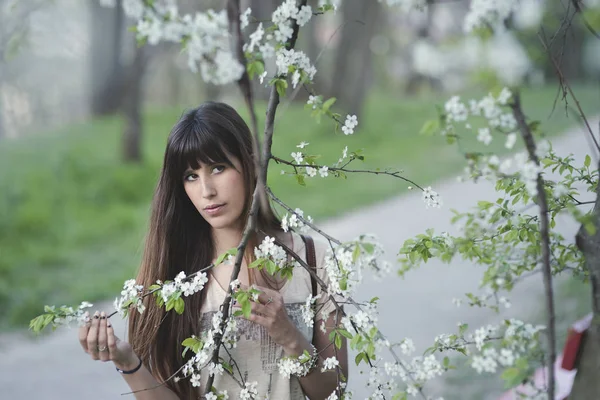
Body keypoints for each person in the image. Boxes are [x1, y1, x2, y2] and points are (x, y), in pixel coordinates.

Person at [78, 101, 349, 399]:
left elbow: (333, 391)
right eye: (191, 176)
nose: (206, 190)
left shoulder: (314, 260)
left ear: (251, 163)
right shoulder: (173, 278)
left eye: (218, 168)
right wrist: (126, 361)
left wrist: (290, 337)